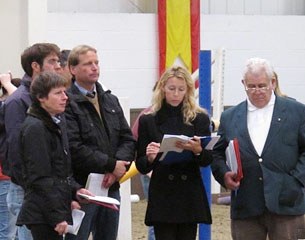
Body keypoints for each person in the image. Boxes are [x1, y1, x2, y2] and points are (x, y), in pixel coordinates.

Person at [211, 57, 305, 240]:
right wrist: (224, 174)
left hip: (286, 203)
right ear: (243, 84)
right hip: (246, 203)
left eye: (262, 85)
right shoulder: (229, 117)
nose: (257, 91)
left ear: (273, 82)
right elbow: (217, 153)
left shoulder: (297, 112)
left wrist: (295, 180)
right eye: (251, 86)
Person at [64, 44, 136, 240]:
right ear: (73, 69)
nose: (94, 67)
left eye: (96, 62)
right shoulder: (67, 103)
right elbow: (75, 147)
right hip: (83, 188)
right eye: (88, 64)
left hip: (110, 187)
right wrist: (111, 165)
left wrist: (117, 168)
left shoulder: (110, 100)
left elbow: (127, 139)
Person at [135, 66, 213, 240]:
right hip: (164, 192)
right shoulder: (149, 120)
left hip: (189, 191)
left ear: (188, 91)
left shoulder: (199, 118)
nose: (176, 94)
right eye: (171, 89)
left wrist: (198, 150)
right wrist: (150, 158)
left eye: (181, 89)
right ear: (162, 88)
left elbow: (207, 160)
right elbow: (140, 163)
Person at [16, 71, 92, 240]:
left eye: (65, 92)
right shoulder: (36, 128)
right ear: (41, 97)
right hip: (43, 214)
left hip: (53, 208)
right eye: (58, 93)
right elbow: (40, 178)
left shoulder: (56, 122)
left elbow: (61, 170)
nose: (65, 97)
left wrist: (75, 190)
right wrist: (56, 216)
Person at [3, 43, 62, 240]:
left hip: (48, 188)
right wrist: (34, 189)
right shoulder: (18, 101)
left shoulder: (55, 100)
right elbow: (17, 152)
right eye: (52, 61)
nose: (58, 66)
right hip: (28, 191)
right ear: (35, 66)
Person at [0, 73, 20, 240]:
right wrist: (6, 83)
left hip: (5, 177)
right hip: (4, 178)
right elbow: (19, 100)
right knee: (7, 232)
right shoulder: (8, 107)